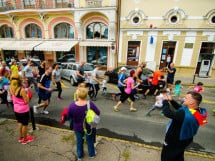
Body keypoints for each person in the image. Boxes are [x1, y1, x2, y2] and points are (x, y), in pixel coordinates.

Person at [161, 91, 208, 161]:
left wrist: (165, 101)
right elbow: (182, 109)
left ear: (191, 102)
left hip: (175, 140)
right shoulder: (198, 111)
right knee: (178, 154)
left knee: (167, 156)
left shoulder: (184, 115)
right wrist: (172, 101)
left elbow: (167, 113)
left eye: (185, 98)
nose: (183, 99)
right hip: (186, 138)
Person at [67, 87, 100, 160]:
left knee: (79, 141)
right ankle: (91, 154)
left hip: (77, 127)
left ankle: (80, 156)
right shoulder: (90, 104)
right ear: (86, 95)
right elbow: (98, 112)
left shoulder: (72, 106)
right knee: (90, 140)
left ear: (77, 96)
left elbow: (68, 116)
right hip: (88, 126)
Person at [9, 72, 34, 145]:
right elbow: (26, 101)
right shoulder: (21, 90)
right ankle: (25, 139)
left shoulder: (11, 87)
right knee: (25, 124)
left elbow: (11, 98)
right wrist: (28, 94)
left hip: (16, 109)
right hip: (23, 110)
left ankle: (21, 137)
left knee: (19, 123)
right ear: (19, 80)